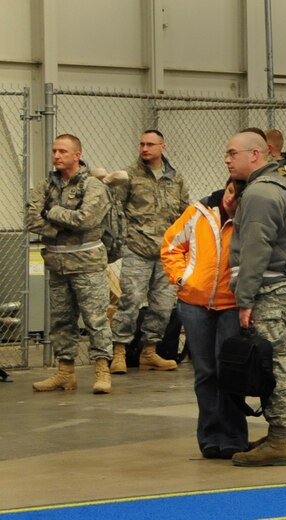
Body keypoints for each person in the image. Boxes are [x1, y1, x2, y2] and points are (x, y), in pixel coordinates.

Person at [225, 131, 286, 466]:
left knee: (274, 364)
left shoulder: (259, 194)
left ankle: (279, 439)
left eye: (232, 153)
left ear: (254, 154)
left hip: (267, 291)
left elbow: (255, 251)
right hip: (283, 286)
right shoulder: (281, 184)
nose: (227, 160)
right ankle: (282, 433)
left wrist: (245, 300)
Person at [161, 179, 248, 459]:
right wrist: (183, 278)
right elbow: (171, 246)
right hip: (194, 304)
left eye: (239, 196)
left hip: (231, 305)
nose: (231, 201)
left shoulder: (248, 219)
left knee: (229, 372)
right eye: (231, 192)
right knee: (205, 372)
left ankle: (233, 437)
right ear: (225, 189)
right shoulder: (198, 212)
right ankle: (209, 437)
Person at [26, 134, 114, 394]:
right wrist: (59, 229)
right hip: (57, 264)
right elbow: (31, 219)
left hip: (87, 265)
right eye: (54, 151)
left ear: (77, 155)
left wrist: (51, 213)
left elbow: (86, 220)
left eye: (63, 151)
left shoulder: (93, 186)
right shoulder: (46, 186)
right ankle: (65, 373)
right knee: (61, 321)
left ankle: (102, 371)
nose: (56, 156)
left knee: (95, 319)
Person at [109, 130, 189, 374]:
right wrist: (122, 240)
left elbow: (185, 212)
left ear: (162, 147)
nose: (144, 148)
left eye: (150, 144)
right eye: (142, 144)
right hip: (137, 248)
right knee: (130, 300)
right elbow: (115, 210)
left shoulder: (176, 178)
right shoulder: (129, 176)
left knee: (163, 305)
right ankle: (120, 351)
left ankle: (149, 352)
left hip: (167, 252)